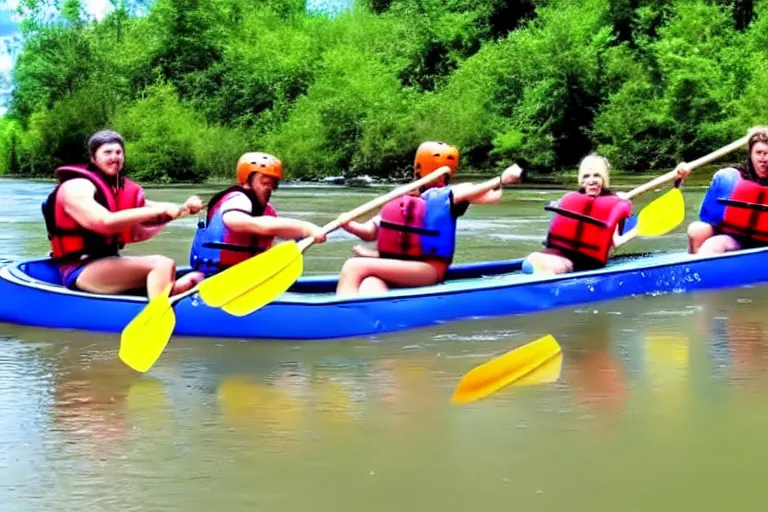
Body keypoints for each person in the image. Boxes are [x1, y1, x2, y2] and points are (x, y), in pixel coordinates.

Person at [335, 140, 523, 297]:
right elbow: (370, 233)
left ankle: (340, 315)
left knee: (354, 266)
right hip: (401, 267)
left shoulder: (450, 194)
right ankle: (375, 318)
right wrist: (349, 225)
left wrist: (500, 180)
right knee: (371, 282)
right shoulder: (403, 197)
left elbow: (485, 194)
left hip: (429, 270)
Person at [42, 130, 204, 298]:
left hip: (107, 263)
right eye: (107, 152)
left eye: (119, 152)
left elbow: (148, 216)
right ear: (93, 158)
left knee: (194, 276)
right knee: (162, 264)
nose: (115, 157)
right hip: (80, 269)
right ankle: (157, 314)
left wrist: (184, 208)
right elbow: (104, 223)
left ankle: (172, 294)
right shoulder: (76, 187)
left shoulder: (116, 192)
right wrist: (158, 211)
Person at [189, 152, 326, 276]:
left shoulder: (268, 211)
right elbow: (236, 222)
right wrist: (305, 228)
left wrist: (301, 238)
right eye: (264, 181)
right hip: (213, 277)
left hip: (245, 278)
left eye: (273, 183)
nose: (269, 188)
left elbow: (274, 243)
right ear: (247, 182)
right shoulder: (238, 199)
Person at [522, 154, 634, 275]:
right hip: (560, 252)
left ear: (604, 179)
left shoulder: (614, 205)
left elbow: (615, 242)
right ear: (581, 180)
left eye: (597, 176)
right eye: (586, 176)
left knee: (548, 265)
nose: (591, 181)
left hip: (587, 260)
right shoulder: (571, 199)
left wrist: (637, 231)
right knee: (533, 259)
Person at [679, 127, 768, 255]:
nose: (763, 159)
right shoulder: (738, 176)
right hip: (738, 239)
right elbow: (708, 219)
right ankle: (697, 273)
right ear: (750, 154)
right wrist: (680, 178)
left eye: (767, 153)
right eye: (759, 153)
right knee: (698, 230)